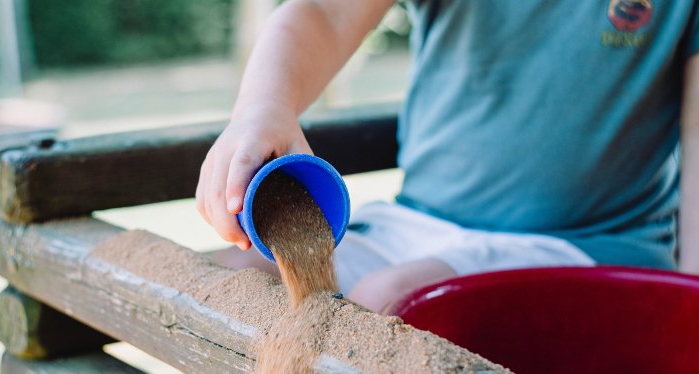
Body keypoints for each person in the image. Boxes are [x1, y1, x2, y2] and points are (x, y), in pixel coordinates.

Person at [196, 0, 699, 314]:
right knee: (239, 282)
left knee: (391, 301)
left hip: (585, 242)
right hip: (417, 223)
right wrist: (263, 108)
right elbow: (325, 14)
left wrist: (689, 299)